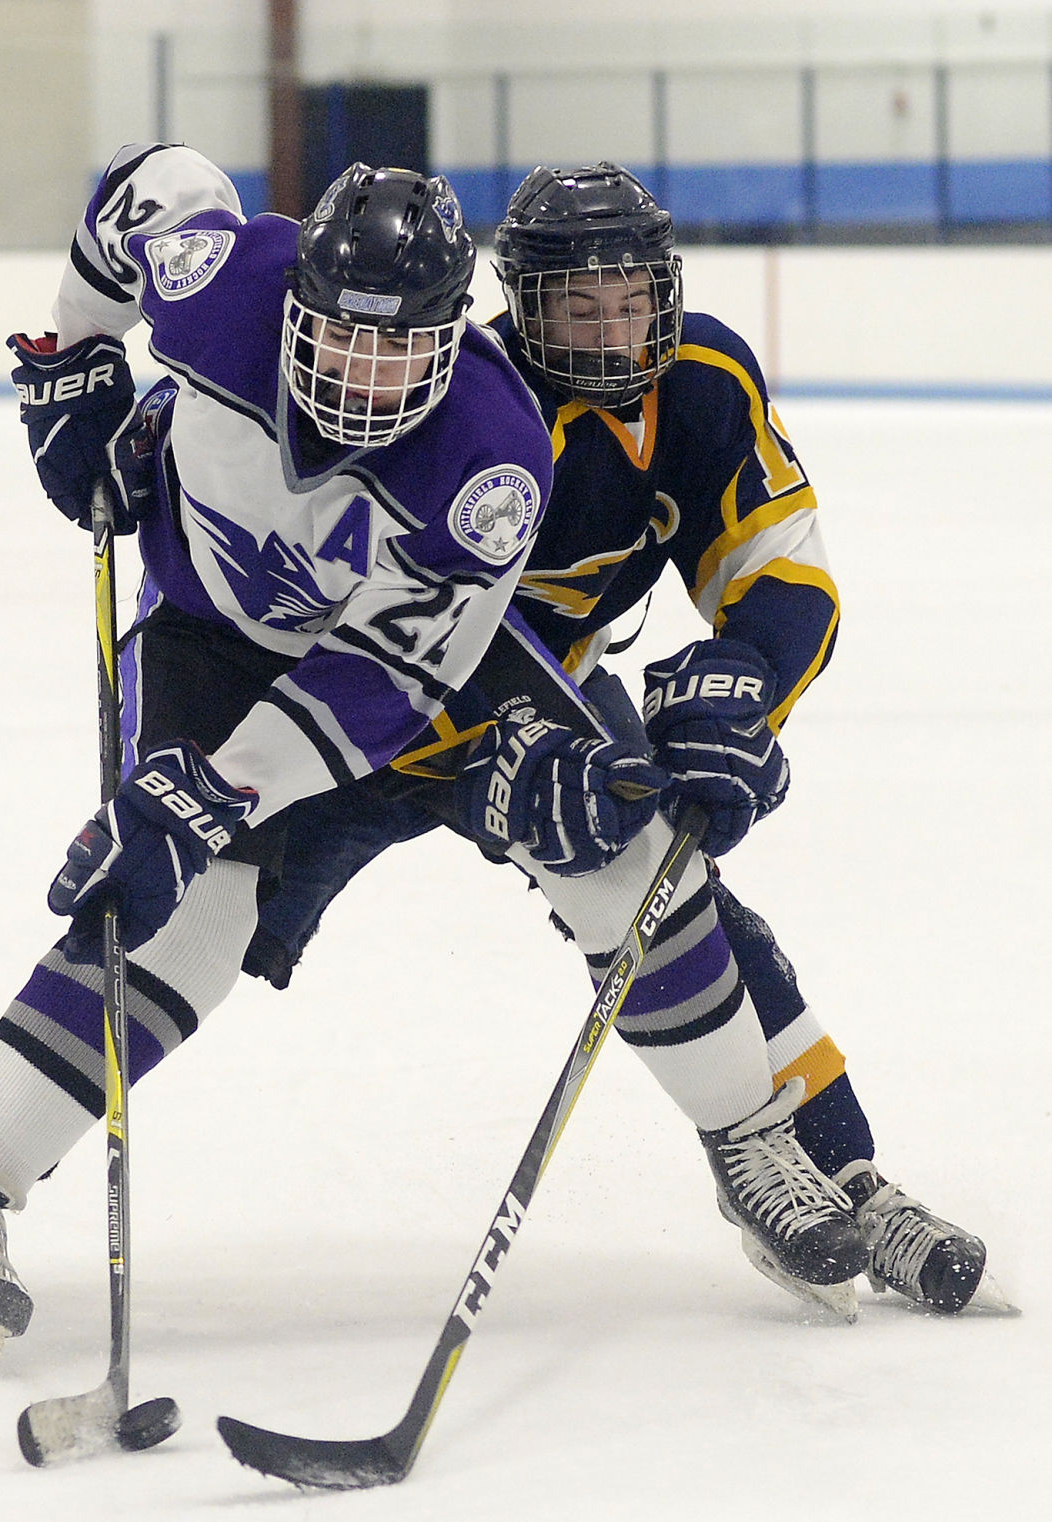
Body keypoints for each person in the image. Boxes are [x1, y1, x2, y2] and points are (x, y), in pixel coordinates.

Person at [241, 162, 993, 1318]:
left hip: (553, 703)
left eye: (632, 298)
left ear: (668, 288)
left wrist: (743, 693)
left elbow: (784, 574)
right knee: (191, 902)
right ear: (521, 303)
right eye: (576, 306)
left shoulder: (702, 379)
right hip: (373, 711)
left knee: (678, 896)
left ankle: (831, 1168)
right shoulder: (462, 394)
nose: (611, 329)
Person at [0, 143, 557, 1368]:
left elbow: (383, 679)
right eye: (344, 338)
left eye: (402, 351)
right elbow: (156, 179)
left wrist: (216, 793)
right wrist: (77, 356)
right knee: (185, 914)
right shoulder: (221, 280)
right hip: (202, 631)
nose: (368, 377)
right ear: (300, 307)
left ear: (454, 337)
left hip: (344, 669)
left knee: (206, 865)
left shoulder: (490, 464)